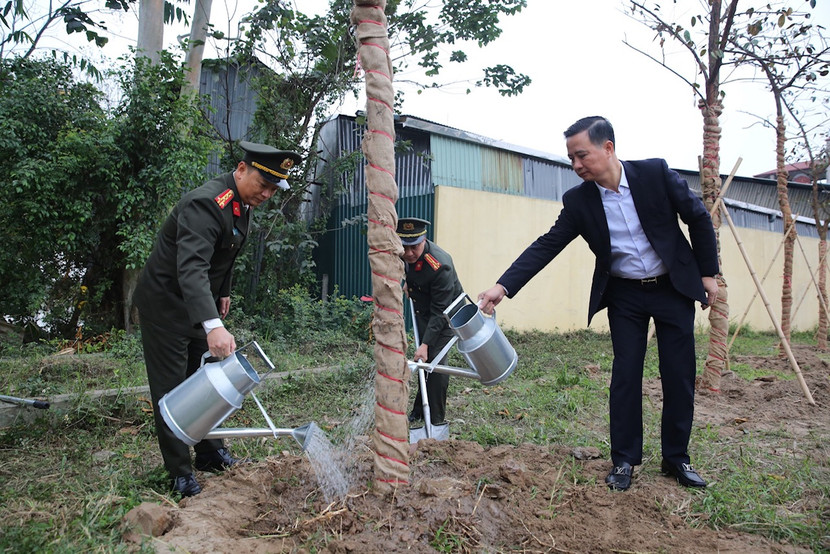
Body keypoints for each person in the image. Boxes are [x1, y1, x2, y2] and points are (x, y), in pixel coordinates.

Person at [478, 116, 719, 491]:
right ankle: (624, 460)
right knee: (625, 375)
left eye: (582, 155)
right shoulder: (579, 201)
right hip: (625, 294)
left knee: (679, 374)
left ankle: (676, 458)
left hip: (672, 288)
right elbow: (548, 243)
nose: (576, 165)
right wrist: (503, 286)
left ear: (608, 148)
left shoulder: (654, 174)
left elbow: (698, 217)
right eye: (571, 158)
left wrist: (708, 273)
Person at [134, 141, 302, 497]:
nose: (267, 194)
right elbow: (192, 267)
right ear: (241, 170)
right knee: (172, 388)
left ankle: (210, 452)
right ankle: (179, 472)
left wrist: (222, 292)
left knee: (206, 379)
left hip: (199, 303)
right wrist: (213, 325)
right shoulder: (206, 204)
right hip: (166, 305)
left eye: (274, 190)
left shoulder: (242, 203)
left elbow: (225, 254)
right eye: (263, 185)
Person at [397, 217, 464, 426]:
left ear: (424, 240)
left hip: (448, 316)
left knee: (436, 366)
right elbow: (408, 268)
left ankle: (435, 420)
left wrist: (425, 344)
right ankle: (419, 410)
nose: (409, 253)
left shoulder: (440, 265)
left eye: (414, 247)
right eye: (404, 247)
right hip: (425, 310)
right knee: (423, 362)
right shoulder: (401, 253)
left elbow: (440, 312)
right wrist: (408, 282)